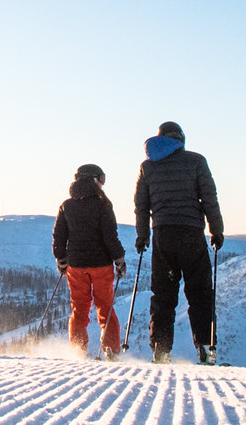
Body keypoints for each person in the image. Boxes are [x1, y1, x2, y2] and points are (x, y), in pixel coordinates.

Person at [135, 121, 224, 364]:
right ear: (181, 139)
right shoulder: (196, 161)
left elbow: (141, 206)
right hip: (191, 234)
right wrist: (216, 231)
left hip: (162, 236)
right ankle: (205, 347)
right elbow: (209, 199)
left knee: (163, 295)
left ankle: (161, 349)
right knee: (200, 292)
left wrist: (142, 236)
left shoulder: (147, 167)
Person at [53, 163, 127, 359]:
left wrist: (61, 259)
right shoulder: (103, 205)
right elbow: (110, 236)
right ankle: (111, 349)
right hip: (101, 264)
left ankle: (78, 349)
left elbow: (59, 236)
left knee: (79, 307)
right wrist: (119, 259)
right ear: (94, 179)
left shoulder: (67, 205)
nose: (102, 183)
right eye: (102, 179)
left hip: (76, 265)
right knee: (105, 306)